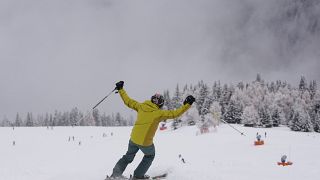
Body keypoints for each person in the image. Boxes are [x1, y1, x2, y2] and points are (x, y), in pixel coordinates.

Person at [109, 81, 195, 179]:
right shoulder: (159, 113)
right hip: (145, 142)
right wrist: (187, 104)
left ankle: (115, 175)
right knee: (150, 155)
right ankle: (138, 176)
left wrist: (121, 89)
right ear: (161, 104)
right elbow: (175, 113)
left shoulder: (141, 106)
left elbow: (128, 101)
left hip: (133, 139)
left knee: (128, 156)